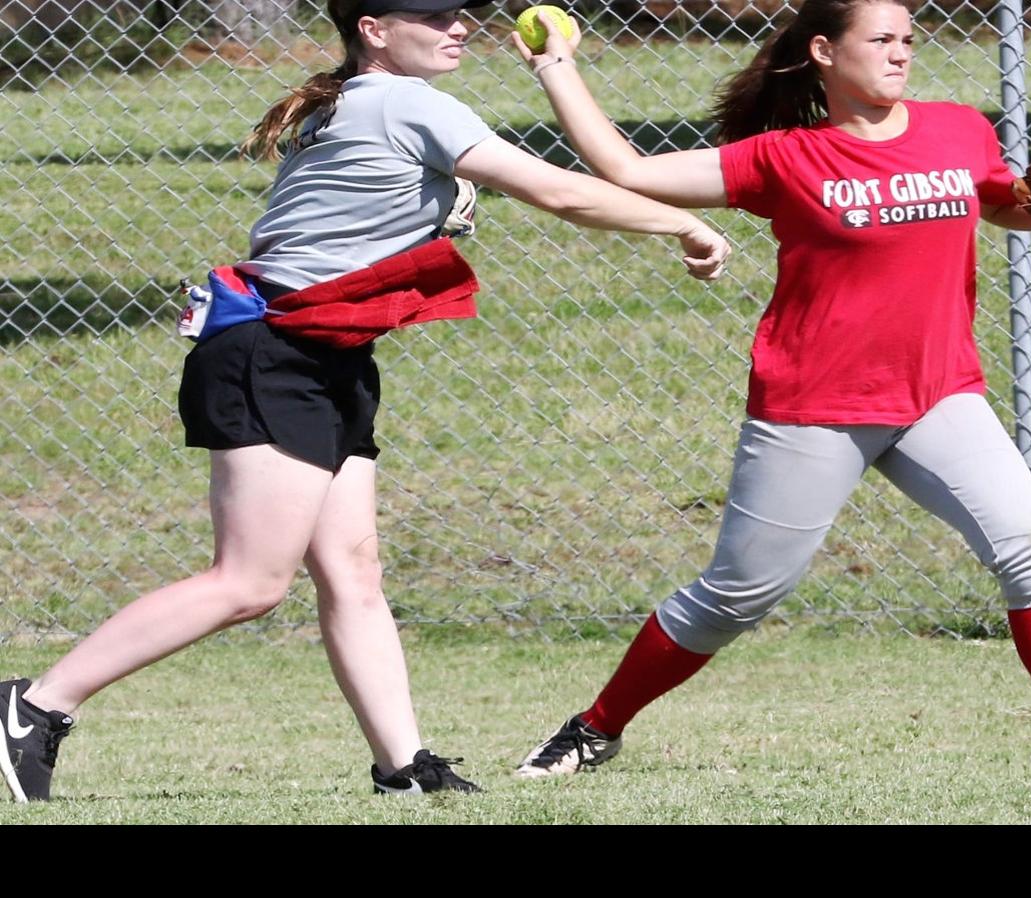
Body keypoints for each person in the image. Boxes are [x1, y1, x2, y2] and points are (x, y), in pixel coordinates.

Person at [0, 0, 730, 803]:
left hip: (323, 353)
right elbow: (556, 191)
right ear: (374, 30)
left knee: (353, 570)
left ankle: (403, 766)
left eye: (461, 15)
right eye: (434, 14)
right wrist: (682, 227)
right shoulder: (402, 101)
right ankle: (35, 706)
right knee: (249, 582)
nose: (457, 27)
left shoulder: (359, 99)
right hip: (274, 354)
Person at [512, 0, 1031, 777]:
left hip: (936, 392)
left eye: (908, 40)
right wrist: (555, 66)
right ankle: (595, 726)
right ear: (823, 51)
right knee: (736, 595)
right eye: (880, 39)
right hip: (815, 404)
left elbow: (1001, 206)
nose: (899, 54)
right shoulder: (783, 156)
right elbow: (628, 172)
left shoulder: (958, 129)